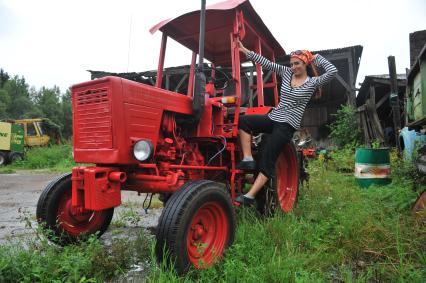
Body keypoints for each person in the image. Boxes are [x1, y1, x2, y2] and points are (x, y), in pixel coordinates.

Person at [235, 39, 338, 206]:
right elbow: (266, 63)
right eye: (292, 64)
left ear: (305, 63)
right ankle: (247, 158)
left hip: (287, 126)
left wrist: (316, 57)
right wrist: (245, 50)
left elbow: (332, 71)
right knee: (244, 121)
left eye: (297, 63)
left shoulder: (312, 83)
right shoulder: (287, 73)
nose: (294, 67)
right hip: (273, 117)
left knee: (268, 157)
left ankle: (250, 195)